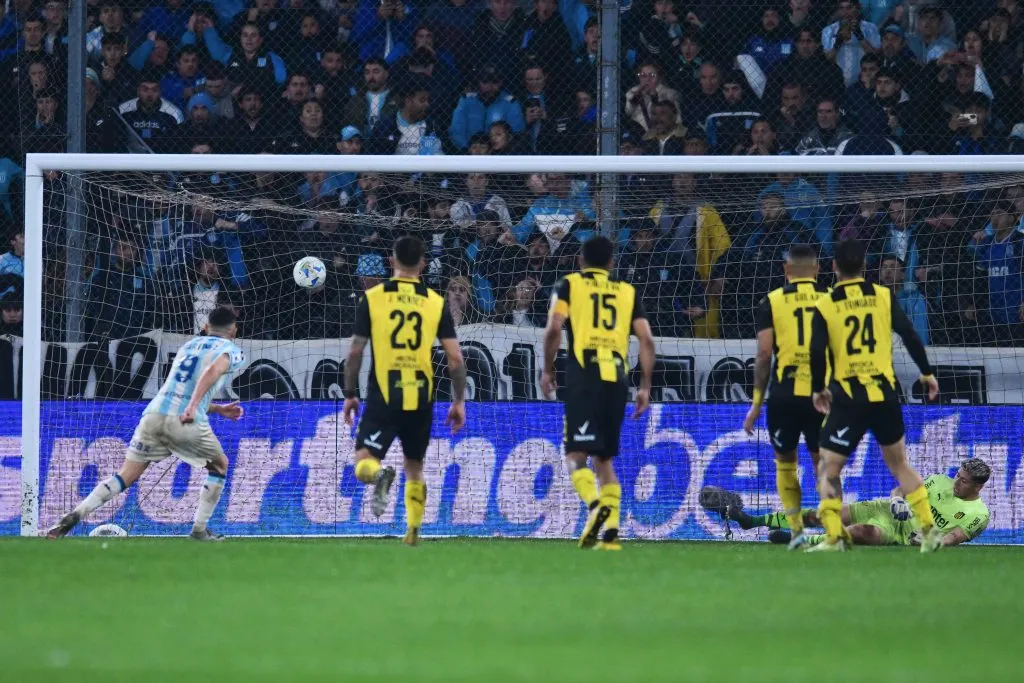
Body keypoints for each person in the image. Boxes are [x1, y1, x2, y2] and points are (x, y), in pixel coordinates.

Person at [47, 306, 247, 540]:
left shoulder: (187, 347)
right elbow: (213, 371)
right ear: (233, 329)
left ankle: (74, 515)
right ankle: (199, 531)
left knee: (125, 476)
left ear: (205, 327)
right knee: (220, 465)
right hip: (184, 420)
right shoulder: (231, 350)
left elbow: (178, 388)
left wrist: (217, 409)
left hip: (153, 415)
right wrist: (193, 406)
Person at [808, 239, 941, 552]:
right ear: (865, 267)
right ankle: (929, 531)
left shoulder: (826, 303)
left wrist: (818, 388)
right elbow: (909, 334)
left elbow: (816, 351)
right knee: (899, 465)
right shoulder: (882, 295)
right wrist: (926, 373)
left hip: (848, 396)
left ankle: (833, 537)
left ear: (834, 268)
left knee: (828, 467)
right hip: (884, 392)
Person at [342, 236, 467, 546]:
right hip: (422, 394)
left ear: (391, 260)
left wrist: (349, 392)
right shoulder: (436, 302)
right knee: (415, 466)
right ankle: (412, 531)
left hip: (385, 392)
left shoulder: (372, 298)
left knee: (363, 460)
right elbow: (455, 357)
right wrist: (459, 401)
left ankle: (378, 475)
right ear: (423, 264)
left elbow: (356, 351)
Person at [540, 236, 656, 550]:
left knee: (575, 456)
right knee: (604, 459)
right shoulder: (628, 291)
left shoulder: (569, 284)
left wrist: (548, 368)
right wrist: (644, 386)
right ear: (611, 263)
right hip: (617, 380)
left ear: (580, 261)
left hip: (584, 377)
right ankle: (611, 536)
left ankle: (594, 506)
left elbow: (554, 327)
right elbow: (646, 340)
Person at [741, 244, 829, 549]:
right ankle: (833, 532)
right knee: (825, 464)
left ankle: (795, 532)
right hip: (822, 393)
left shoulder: (772, 301)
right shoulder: (832, 299)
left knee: (786, 464)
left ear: (786, 270)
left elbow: (764, 354)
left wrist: (755, 404)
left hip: (785, 393)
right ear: (817, 270)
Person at [707, 458, 992, 548]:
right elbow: (900, 489)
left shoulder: (978, 514)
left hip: (905, 534)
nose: (957, 482)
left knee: (861, 532)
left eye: (964, 481)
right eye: (958, 475)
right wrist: (895, 501)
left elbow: (954, 536)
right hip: (884, 509)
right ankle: (751, 521)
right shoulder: (940, 480)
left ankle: (803, 541)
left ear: (978, 487)